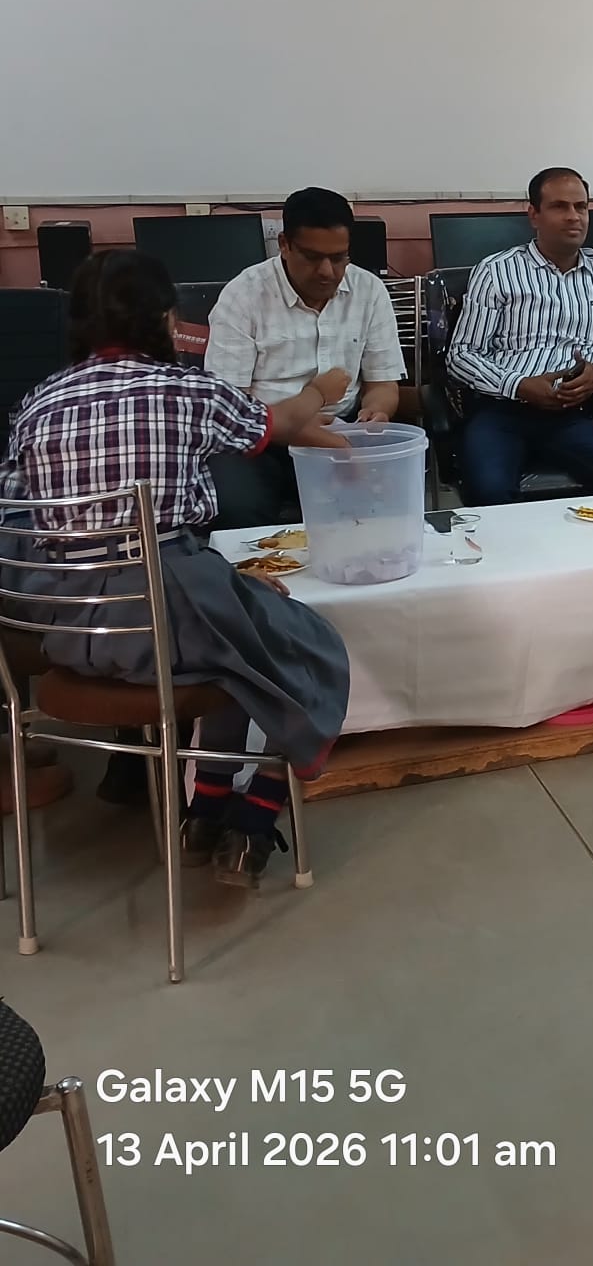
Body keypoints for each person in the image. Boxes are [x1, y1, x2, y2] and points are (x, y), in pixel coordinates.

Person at [2, 251, 352, 887]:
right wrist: (320, 390)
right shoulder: (186, 390)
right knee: (302, 646)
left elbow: (17, 521)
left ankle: (205, 812)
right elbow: (280, 424)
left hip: (67, 627)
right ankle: (253, 819)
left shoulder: (36, 404)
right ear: (167, 319)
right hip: (165, 618)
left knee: (233, 629)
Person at [205, 187, 405, 531]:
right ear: (284, 245)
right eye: (312, 257)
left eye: (339, 258)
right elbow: (229, 407)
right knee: (236, 507)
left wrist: (375, 414)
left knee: (386, 502)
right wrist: (306, 432)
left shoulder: (369, 290)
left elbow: (383, 384)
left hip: (343, 432)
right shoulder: (244, 295)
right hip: (261, 438)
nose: (327, 271)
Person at [446, 168, 593, 505]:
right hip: (502, 410)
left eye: (581, 207)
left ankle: (575, 538)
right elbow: (461, 355)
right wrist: (519, 385)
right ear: (534, 214)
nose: (573, 217)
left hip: (571, 413)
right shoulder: (496, 271)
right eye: (559, 207)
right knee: (488, 490)